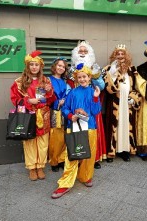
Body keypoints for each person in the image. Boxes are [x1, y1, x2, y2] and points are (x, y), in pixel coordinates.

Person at [51, 63, 101, 199]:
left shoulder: (93, 92)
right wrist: (70, 116)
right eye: (80, 77)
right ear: (76, 79)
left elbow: (96, 111)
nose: (82, 79)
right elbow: (65, 108)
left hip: (90, 128)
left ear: (89, 77)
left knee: (89, 155)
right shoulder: (72, 92)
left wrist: (96, 97)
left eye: (85, 76)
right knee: (72, 155)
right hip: (73, 128)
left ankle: (86, 176)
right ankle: (65, 184)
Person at [10, 50, 56, 181]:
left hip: (43, 115)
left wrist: (50, 92)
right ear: (27, 66)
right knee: (29, 142)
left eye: (36, 64)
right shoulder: (19, 82)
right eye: (31, 64)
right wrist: (28, 101)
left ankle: (40, 166)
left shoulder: (46, 80)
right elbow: (14, 99)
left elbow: (51, 100)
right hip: (28, 116)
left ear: (41, 66)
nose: (34, 67)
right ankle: (31, 168)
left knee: (43, 143)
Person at [70, 40, 106, 169]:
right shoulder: (71, 68)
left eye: (86, 51)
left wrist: (95, 77)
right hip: (76, 105)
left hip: (91, 105)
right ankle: (79, 157)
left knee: (92, 133)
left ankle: (94, 158)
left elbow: (102, 86)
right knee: (77, 132)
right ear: (76, 53)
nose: (83, 53)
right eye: (81, 51)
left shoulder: (95, 68)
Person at [103, 44, 141, 162]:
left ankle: (125, 151)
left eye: (122, 53)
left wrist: (133, 98)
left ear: (126, 56)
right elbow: (107, 88)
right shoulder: (108, 69)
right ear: (114, 56)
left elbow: (138, 88)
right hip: (114, 103)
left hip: (127, 104)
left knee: (126, 126)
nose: (120, 56)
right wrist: (113, 73)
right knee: (114, 126)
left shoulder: (132, 70)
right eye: (118, 54)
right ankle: (111, 151)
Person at [48, 57, 71, 172]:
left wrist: (66, 100)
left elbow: (69, 95)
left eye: (63, 66)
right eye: (59, 65)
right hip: (54, 111)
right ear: (54, 66)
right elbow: (45, 97)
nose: (61, 68)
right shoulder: (48, 80)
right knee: (55, 137)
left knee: (63, 136)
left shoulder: (64, 82)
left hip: (65, 111)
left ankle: (62, 159)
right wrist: (57, 102)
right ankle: (54, 161)